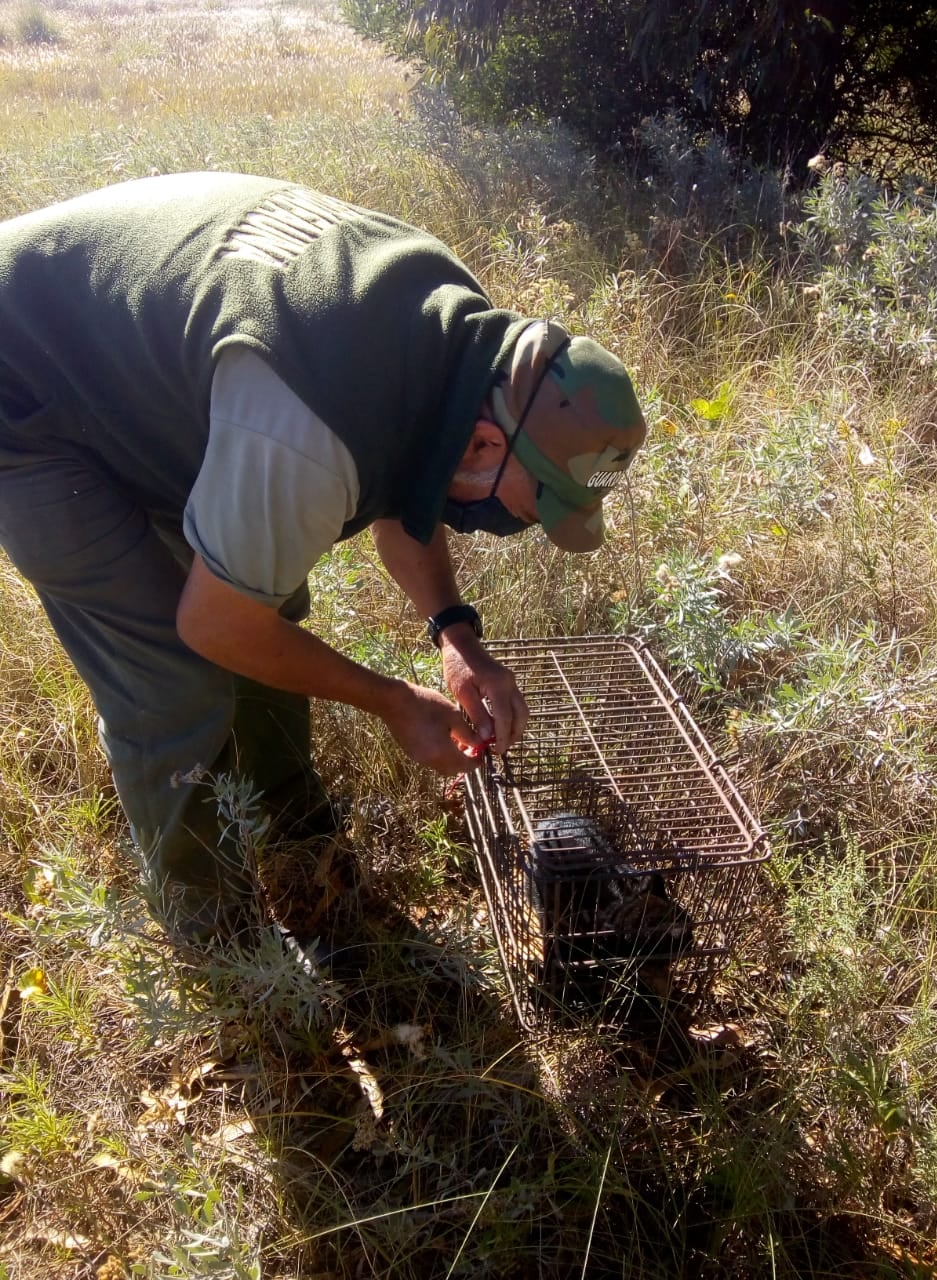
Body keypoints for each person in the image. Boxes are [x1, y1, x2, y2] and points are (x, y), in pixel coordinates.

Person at [0, 172, 647, 947]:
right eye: (530, 500)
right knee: (174, 678)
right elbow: (216, 624)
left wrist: (458, 637)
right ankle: (221, 941)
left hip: (147, 366)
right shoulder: (307, 431)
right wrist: (394, 702)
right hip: (26, 389)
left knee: (265, 605)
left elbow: (410, 485)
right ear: (486, 442)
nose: (519, 519)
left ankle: (293, 831)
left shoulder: (471, 343)